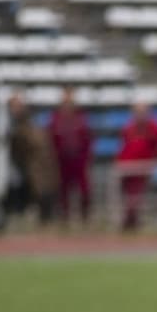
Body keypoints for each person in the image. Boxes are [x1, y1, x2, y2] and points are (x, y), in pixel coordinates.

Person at [116, 101, 157, 231]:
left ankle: (132, 222)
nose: (140, 114)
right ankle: (129, 221)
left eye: (142, 112)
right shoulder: (129, 127)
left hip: (142, 168)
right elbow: (123, 146)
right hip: (127, 168)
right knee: (128, 196)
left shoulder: (154, 127)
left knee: (136, 196)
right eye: (137, 112)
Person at [8, 92, 59, 223]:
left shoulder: (28, 123)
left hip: (35, 163)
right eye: (13, 105)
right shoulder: (12, 123)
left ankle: (45, 217)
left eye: (18, 105)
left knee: (42, 189)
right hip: (21, 163)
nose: (16, 109)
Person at [49, 88, 93, 224]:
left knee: (84, 189)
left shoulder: (80, 117)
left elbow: (87, 138)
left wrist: (86, 156)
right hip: (62, 160)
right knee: (63, 191)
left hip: (78, 159)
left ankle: (85, 217)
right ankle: (64, 218)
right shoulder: (56, 118)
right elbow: (52, 138)